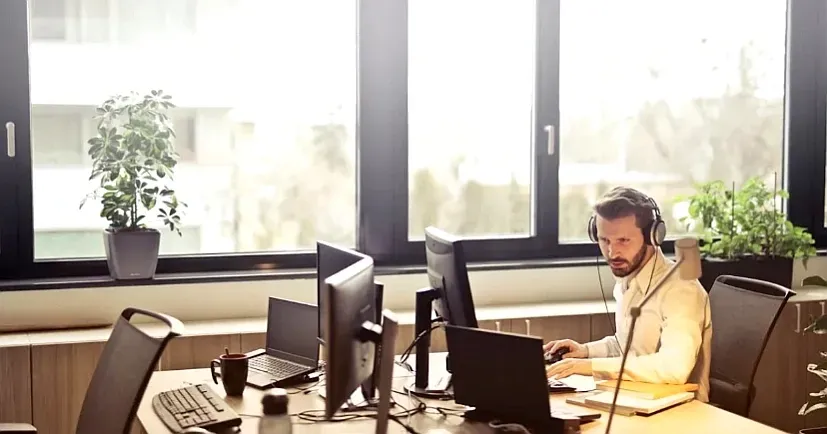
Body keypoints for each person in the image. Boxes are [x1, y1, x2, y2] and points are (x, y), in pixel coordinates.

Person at [545, 186, 712, 402]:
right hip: (634, 399)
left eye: (623, 241)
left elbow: (674, 368)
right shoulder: (628, 280)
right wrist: (585, 351)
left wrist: (589, 366)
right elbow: (628, 347)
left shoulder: (681, 289)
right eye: (604, 240)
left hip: (680, 411)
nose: (612, 253)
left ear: (652, 236)